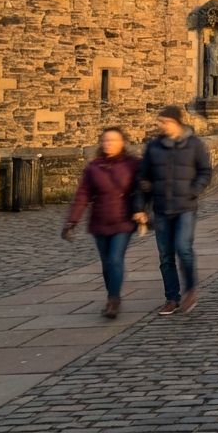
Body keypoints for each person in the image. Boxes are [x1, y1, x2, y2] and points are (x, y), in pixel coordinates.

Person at [135, 105, 212, 315]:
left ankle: (191, 289)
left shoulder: (194, 144)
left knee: (183, 248)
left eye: (164, 121)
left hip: (185, 206)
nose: (160, 125)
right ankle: (172, 298)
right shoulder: (153, 148)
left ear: (176, 122)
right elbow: (142, 178)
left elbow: (205, 171)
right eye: (160, 121)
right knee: (165, 256)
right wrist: (140, 208)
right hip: (161, 208)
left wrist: (193, 190)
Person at [63, 128, 140, 319]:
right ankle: (111, 294)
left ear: (123, 142)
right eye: (105, 140)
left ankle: (113, 300)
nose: (109, 144)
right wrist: (72, 220)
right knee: (107, 264)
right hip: (99, 220)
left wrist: (142, 210)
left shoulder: (133, 164)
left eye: (113, 140)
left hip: (123, 219)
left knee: (115, 259)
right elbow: (83, 195)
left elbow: (142, 189)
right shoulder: (93, 167)